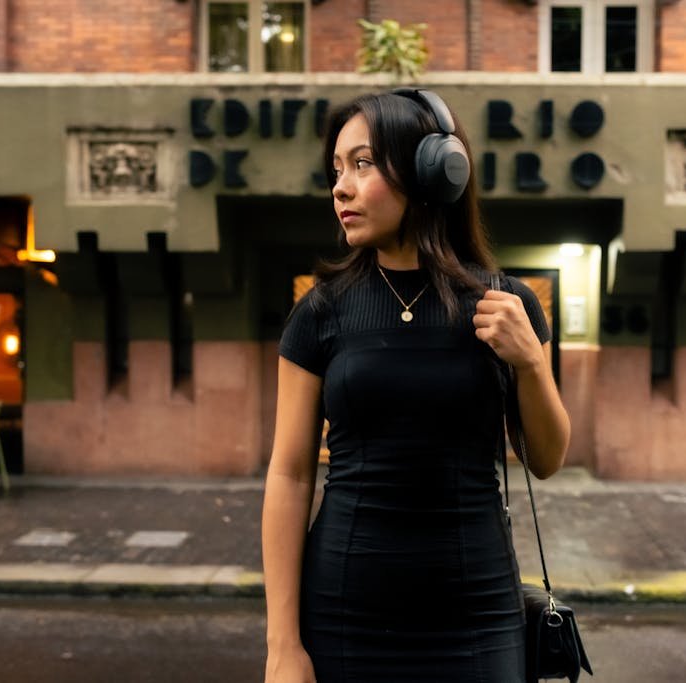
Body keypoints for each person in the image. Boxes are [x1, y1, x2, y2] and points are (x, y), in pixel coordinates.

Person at [262, 89, 571, 683]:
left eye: (362, 164)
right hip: (343, 611)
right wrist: (282, 645)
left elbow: (548, 458)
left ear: (433, 171)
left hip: (478, 616)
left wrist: (531, 363)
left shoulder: (506, 304)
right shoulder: (320, 312)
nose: (340, 188)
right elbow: (290, 474)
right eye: (336, 170)